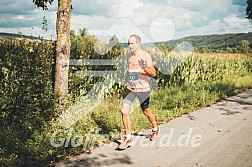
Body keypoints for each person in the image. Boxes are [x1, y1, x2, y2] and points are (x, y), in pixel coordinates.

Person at [118, 34, 160, 149]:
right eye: (128, 43)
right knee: (124, 110)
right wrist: (127, 77)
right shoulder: (129, 56)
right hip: (130, 88)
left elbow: (153, 73)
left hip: (143, 89)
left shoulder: (145, 55)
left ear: (138, 43)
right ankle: (128, 137)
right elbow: (131, 71)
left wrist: (143, 68)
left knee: (146, 111)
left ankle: (155, 129)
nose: (130, 45)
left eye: (132, 43)